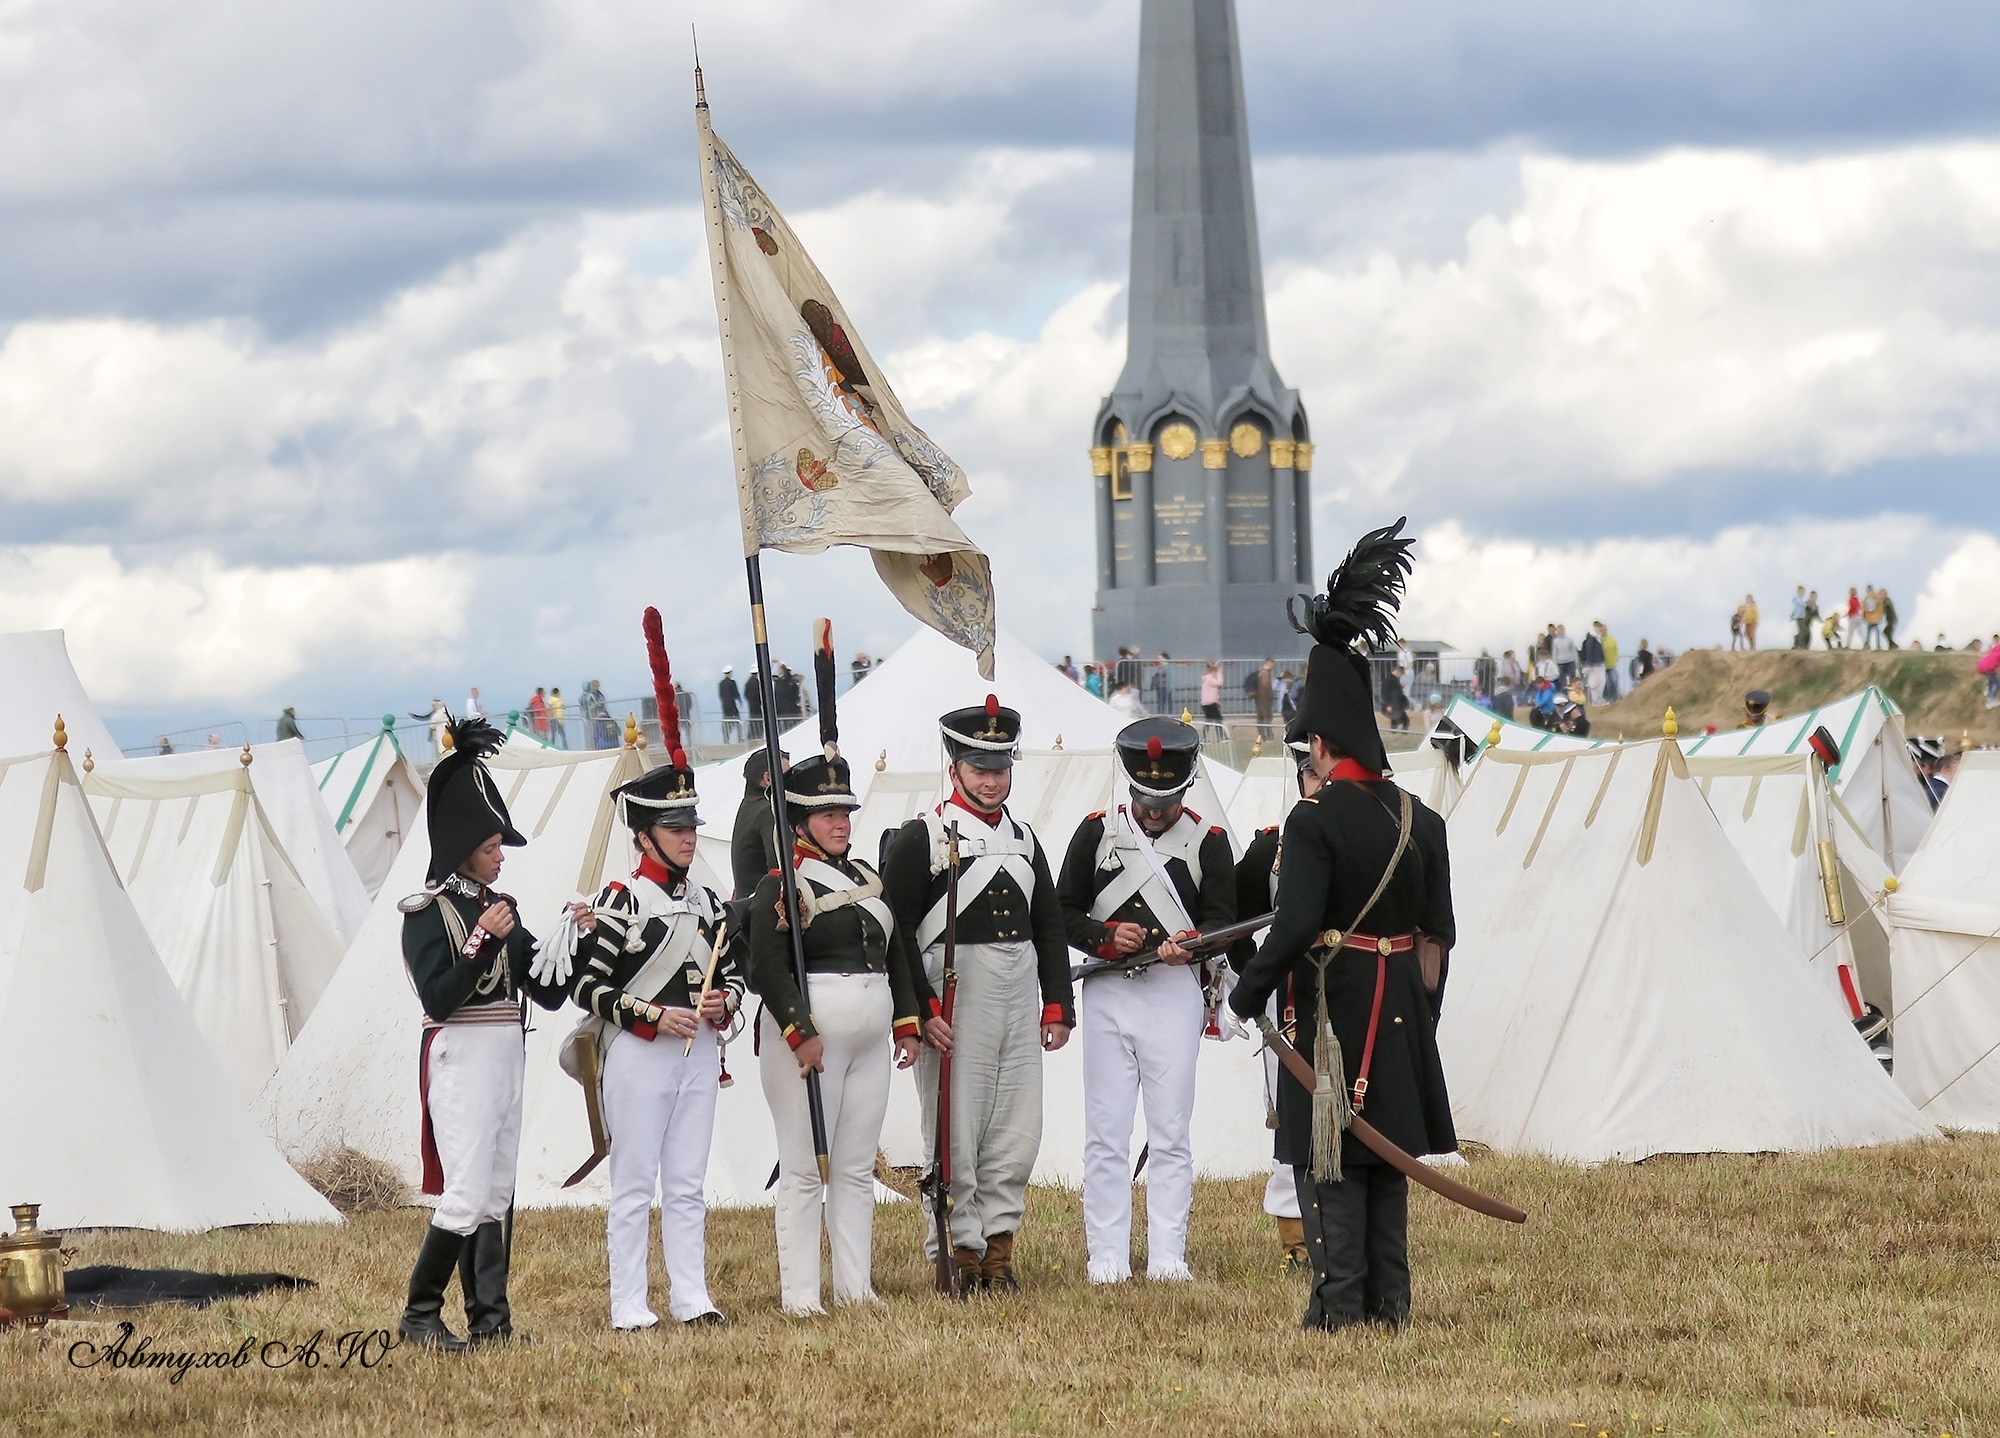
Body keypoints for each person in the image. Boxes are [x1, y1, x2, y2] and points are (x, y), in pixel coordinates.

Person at [1227, 518, 1455, 1333]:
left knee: (1332, 1161)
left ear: (1319, 743)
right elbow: (1436, 940)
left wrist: (1246, 995)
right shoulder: (1421, 819)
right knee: (1386, 1164)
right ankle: (1390, 1306)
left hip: (1332, 1010)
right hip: (1397, 1008)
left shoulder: (1315, 821)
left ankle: (1337, 1309)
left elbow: (1292, 930)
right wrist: (1418, 1017)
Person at [559, 629, 744, 1332]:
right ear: (643, 833)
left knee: (690, 1185)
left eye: (691, 824)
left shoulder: (705, 899)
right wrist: (649, 1016)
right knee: (635, 1186)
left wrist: (725, 1004)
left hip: (699, 1054)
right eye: (674, 827)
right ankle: (629, 1304)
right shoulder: (619, 901)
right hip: (638, 1052)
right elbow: (589, 990)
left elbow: (729, 973)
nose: (689, 836)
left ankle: (692, 1296)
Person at [747, 641, 930, 1315]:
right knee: (804, 1170)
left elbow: (896, 951)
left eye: (845, 811)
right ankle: (801, 1295)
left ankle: (856, 1286)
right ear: (799, 821)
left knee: (854, 1168)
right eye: (827, 813)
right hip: (812, 1036)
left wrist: (907, 1020)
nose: (840, 821)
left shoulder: (865, 877)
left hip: (872, 1033)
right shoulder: (780, 882)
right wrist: (799, 1032)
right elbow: (765, 965)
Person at [882, 697, 1075, 1295]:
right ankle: (958, 1251)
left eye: (1001, 767)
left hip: (1018, 996)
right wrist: (920, 1012)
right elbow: (898, 934)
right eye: (980, 767)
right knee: (955, 1132)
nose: (992, 780)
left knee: (1016, 1130)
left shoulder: (1024, 839)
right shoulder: (924, 837)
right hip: (955, 999)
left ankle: (998, 1251)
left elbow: (1048, 926)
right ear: (955, 768)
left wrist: (1057, 1005)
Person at [397, 716, 571, 1351]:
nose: (501, 854)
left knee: (497, 1189)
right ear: (465, 843)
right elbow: (439, 996)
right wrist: (480, 943)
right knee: (467, 1188)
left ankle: (490, 1323)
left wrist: (568, 940)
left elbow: (546, 990)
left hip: (505, 1052)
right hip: (461, 1053)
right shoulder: (428, 912)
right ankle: (419, 1314)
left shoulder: (503, 910)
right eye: (493, 844)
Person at [1057, 717, 1234, 1284]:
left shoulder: (1208, 842)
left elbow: (1225, 922)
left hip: (1172, 995)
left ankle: (1167, 1255)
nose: (1154, 810)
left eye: (1166, 799)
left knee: (1170, 1131)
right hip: (1109, 990)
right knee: (1106, 1131)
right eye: (1144, 797)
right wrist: (1103, 938)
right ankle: (1105, 1254)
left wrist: (1194, 943)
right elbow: (1062, 912)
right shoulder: (1094, 833)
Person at [1229, 739, 1322, 1272]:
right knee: (1292, 1124)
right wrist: (1254, 981)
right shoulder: (1273, 850)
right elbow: (1234, 922)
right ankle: (1296, 1238)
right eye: (1310, 774)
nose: (1319, 783)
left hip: (1352, 1002)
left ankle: (1345, 1227)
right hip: (1288, 1011)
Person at [730, 750, 784, 899]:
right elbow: (779, 867)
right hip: (763, 905)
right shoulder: (768, 810)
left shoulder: (749, 805)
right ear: (768, 779)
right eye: (786, 774)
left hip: (746, 901)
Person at [1578, 624, 1606, 706]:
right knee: (1594, 682)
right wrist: (1590, 665)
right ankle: (1595, 700)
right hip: (1594, 664)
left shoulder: (1598, 638)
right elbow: (1589, 652)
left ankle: (1599, 698)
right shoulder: (1591, 639)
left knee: (1602, 681)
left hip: (1600, 662)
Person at [1380, 664, 1410, 732]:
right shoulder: (1389, 680)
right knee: (1404, 720)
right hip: (1393, 704)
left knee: (1396, 720)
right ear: (1397, 671)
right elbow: (1385, 693)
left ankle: (1394, 732)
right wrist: (1388, 705)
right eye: (1401, 674)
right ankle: (1401, 733)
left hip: (1396, 703)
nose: (1400, 676)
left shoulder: (1393, 679)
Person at [1493, 650, 1522, 720]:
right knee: (1510, 701)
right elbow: (1510, 674)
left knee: (1513, 699)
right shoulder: (1507, 664)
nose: (1515, 655)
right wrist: (1514, 681)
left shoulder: (1513, 663)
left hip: (1513, 683)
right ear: (1510, 655)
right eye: (1514, 654)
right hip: (1511, 683)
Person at [717, 667, 742, 744]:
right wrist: (740, 701)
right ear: (730, 673)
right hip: (732, 705)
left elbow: (720, 695)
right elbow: (736, 693)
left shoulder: (721, 684)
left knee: (726, 723)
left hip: (725, 706)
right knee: (738, 722)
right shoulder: (732, 683)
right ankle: (739, 738)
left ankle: (726, 739)